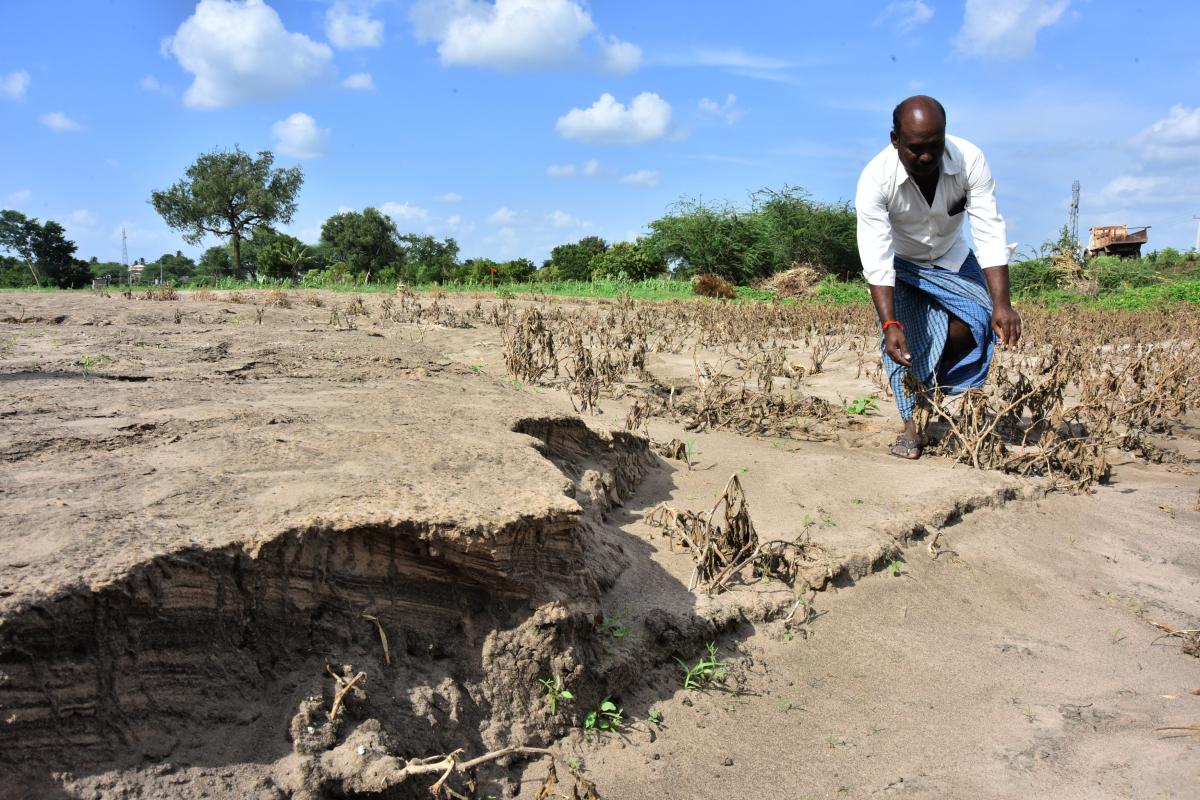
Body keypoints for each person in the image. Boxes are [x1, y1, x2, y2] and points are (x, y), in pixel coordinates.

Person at [855, 95, 1021, 459]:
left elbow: (990, 230)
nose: (927, 157)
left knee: (976, 323)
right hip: (901, 265)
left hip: (952, 257)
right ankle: (913, 428)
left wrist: (1002, 304)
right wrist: (889, 324)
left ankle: (931, 389)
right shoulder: (875, 179)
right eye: (916, 149)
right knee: (907, 344)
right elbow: (876, 256)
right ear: (895, 139)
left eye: (935, 145)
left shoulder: (969, 160)